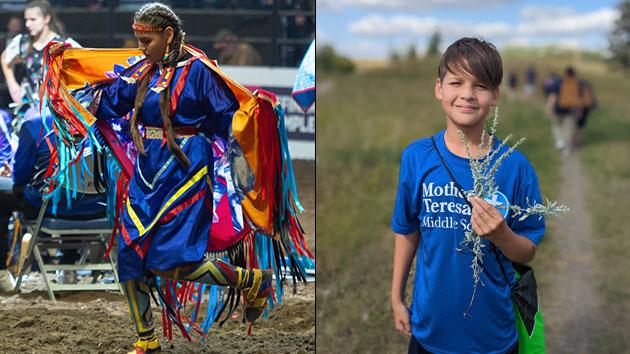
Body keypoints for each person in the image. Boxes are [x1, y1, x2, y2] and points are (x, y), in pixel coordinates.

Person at [46, 3, 277, 352]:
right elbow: (111, 99)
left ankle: (251, 280)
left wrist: (254, 116)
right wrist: (67, 71)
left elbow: (229, 119)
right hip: (147, 170)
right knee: (130, 254)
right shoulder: (143, 69)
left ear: (168, 35)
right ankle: (146, 340)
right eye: (138, 40)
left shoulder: (199, 71)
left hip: (188, 169)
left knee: (173, 262)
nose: (141, 48)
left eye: (146, 41)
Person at [390, 38, 545, 354]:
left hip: (493, 337)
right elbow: (407, 231)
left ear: (496, 96)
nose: (467, 94)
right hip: (430, 331)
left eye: (481, 86)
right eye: (456, 82)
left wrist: (502, 235)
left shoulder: (515, 166)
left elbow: (527, 250)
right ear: (439, 88)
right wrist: (396, 297)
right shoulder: (417, 157)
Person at [0, 111, 106, 291]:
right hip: (97, 208)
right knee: (75, 191)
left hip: (49, 207)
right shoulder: (102, 124)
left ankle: (1, 272)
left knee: (3, 196)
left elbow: (20, 178)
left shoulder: (35, 125)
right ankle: (68, 262)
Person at [1, 0, 79, 106]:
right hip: (29, 106)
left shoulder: (64, 44)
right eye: (26, 20)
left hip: (55, 109)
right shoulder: (22, 42)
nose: (28, 24)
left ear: (46, 19)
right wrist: (13, 85)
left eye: (33, 20)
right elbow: (5, 57)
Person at [545, 67, 595, 151]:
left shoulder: (559, 82)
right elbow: (583, 99)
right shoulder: (579, 83)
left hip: (559, 109)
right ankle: (567, 148)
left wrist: (548, 107)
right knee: (569, 128)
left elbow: (553, 96)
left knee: (557, 125)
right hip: (573, 110)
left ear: (565, 73)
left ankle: (560, 142)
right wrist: (581, 111)